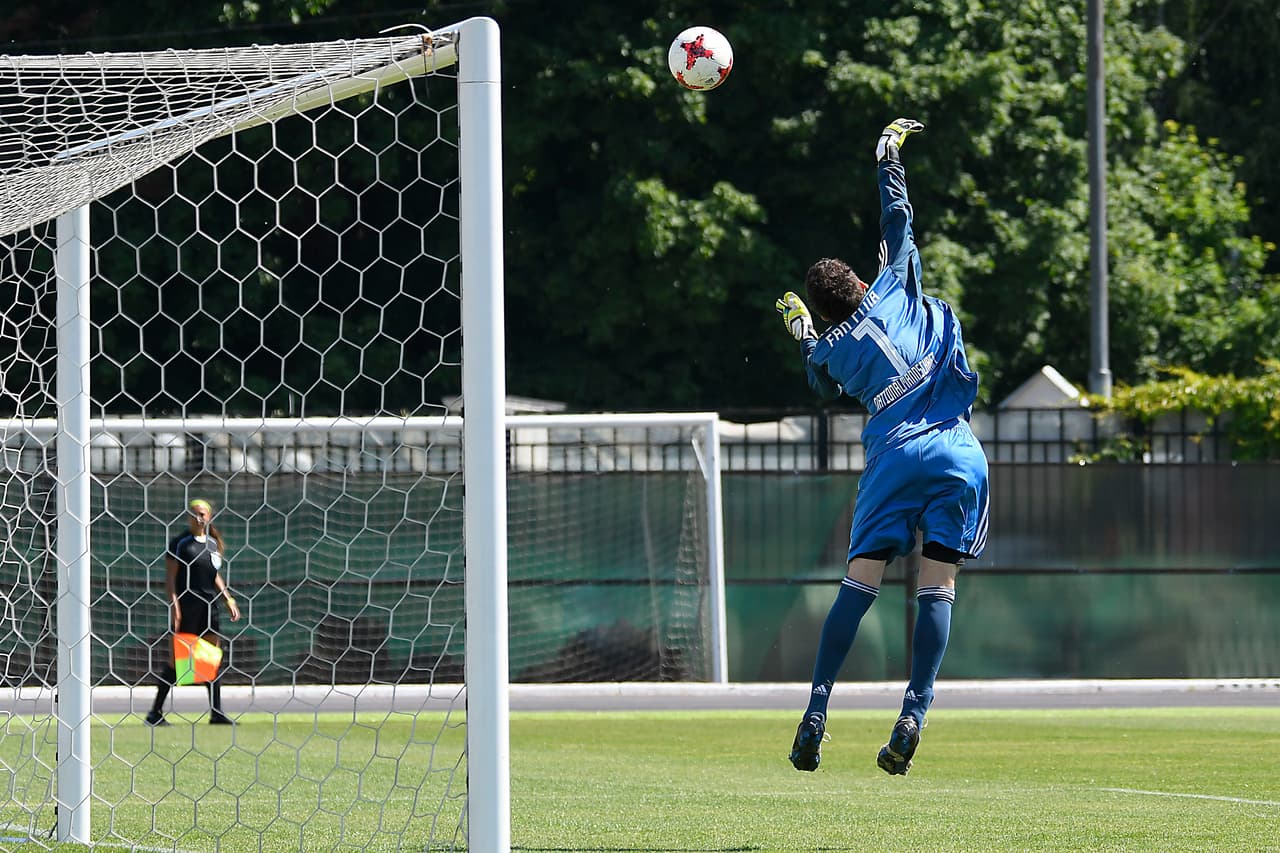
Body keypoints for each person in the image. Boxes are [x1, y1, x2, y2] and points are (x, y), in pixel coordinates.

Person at [775, 118, 989, 775]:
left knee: (860, 580)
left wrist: (800, 327)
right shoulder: (894, 283)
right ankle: (914, 712)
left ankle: (816, 710)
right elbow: (898, 214)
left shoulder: (836, 351)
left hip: (896, 457)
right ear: (863, 285)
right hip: (957, 450)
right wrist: (887, 155)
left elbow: (817, 360)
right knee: (939, 586)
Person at [145, 497, 241, 726]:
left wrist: (228, 599)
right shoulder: (180, 544)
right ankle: (154, 713)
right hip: (188, 607)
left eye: (202, 514)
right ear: (189, 517)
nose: (198, 517)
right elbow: (170, 577)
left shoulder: (212, 544)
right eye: (194, 513)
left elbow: (214, 574)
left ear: (209, 517)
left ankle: (216, 713)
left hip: (209, 607)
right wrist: (174, 606)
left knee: (211, 658)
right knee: (178, 661)